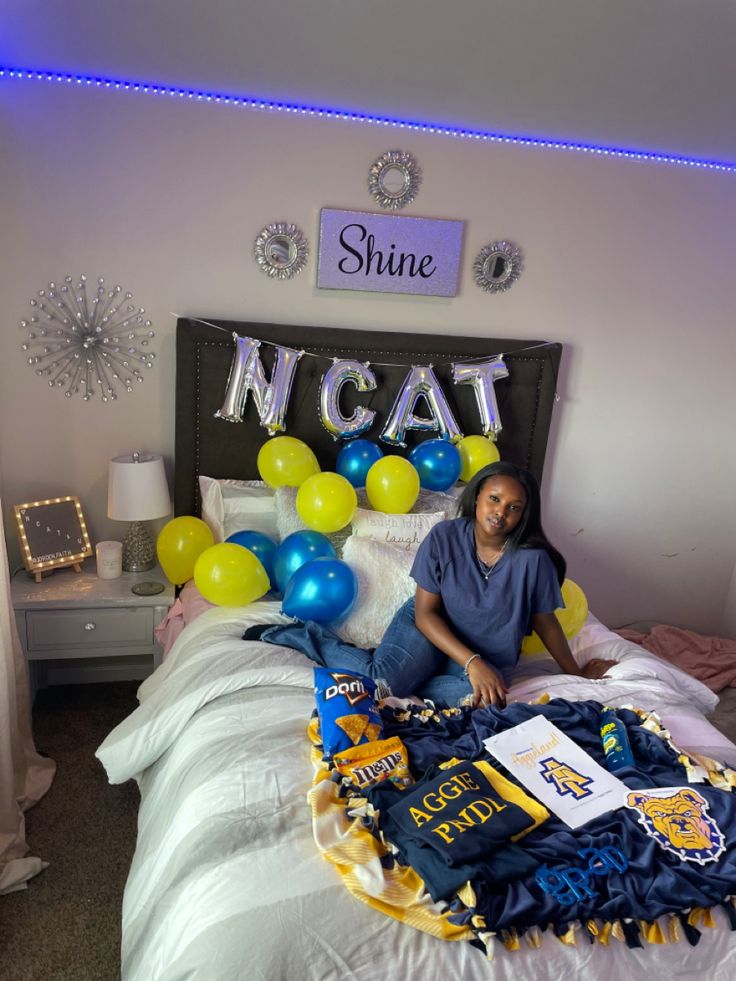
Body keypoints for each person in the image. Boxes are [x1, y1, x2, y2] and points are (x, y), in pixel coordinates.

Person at [256, 461, 614, 707]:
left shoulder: (531, 560)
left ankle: (406, 674)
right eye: (494, 499)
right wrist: (473, 662)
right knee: (384, 684)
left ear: (524, 514)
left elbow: (545, 622)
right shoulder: (444, 537)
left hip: (488, 655)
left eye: (514, 507)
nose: (500, 512)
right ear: (476, 497)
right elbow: (426, 614)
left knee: (482, 701)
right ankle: (308, 634)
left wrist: (576, 672)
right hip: (429, 629)